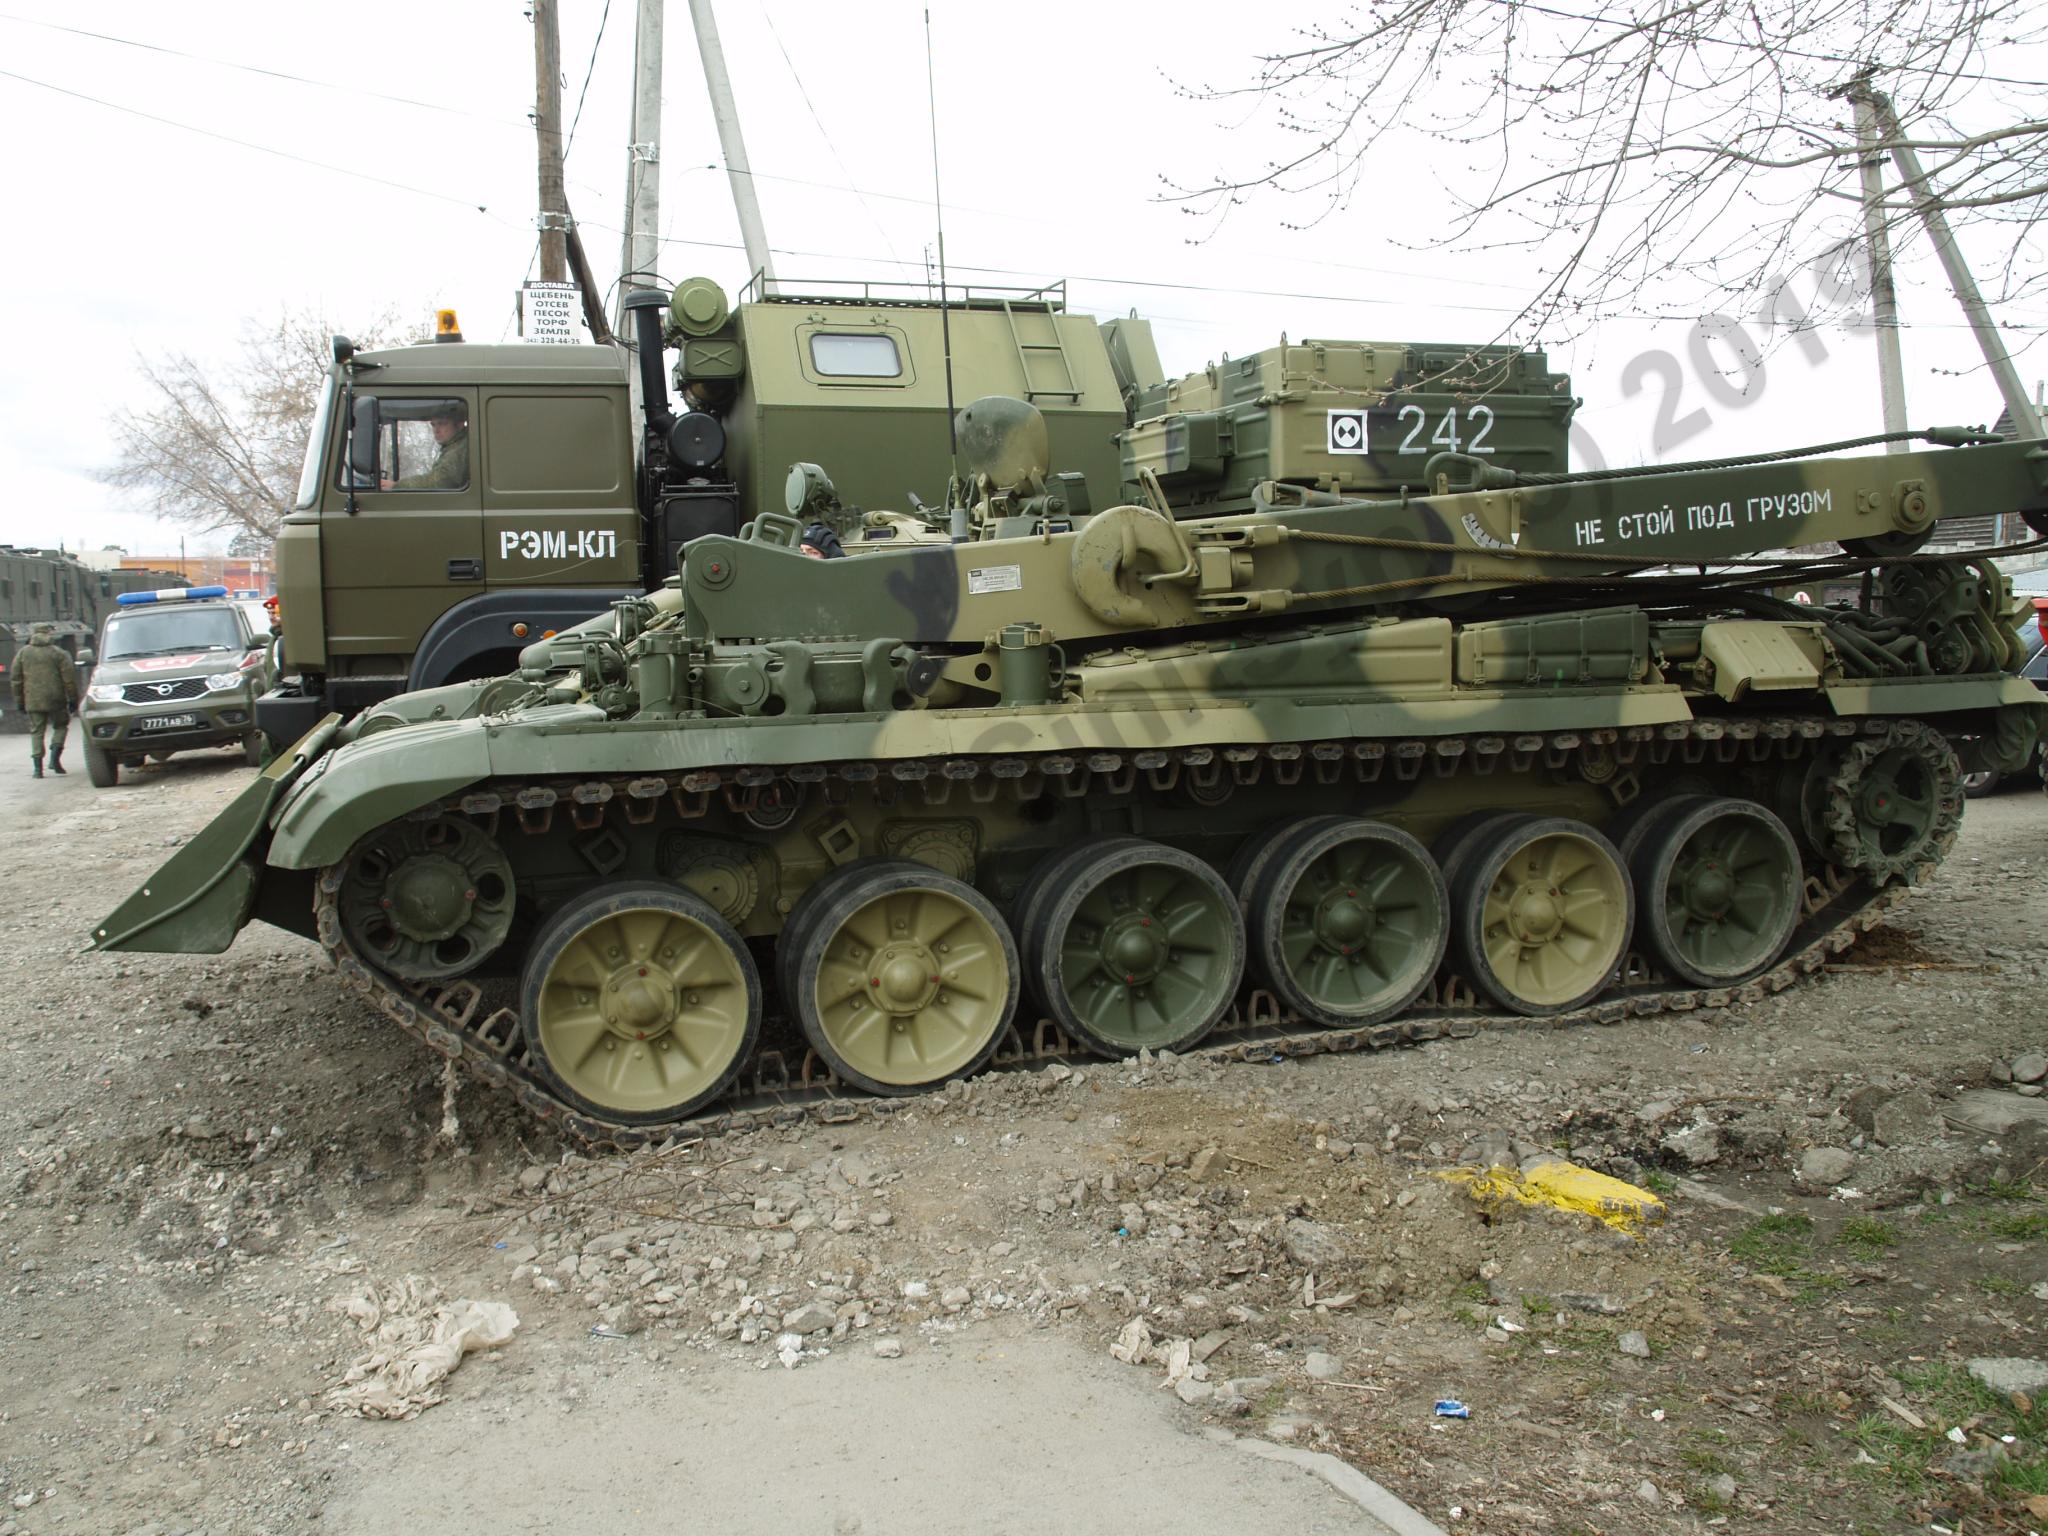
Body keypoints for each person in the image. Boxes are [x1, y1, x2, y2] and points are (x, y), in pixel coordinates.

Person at [11, 623, 78, 777]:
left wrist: (20, 701)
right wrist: (73, 699)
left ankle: (37, 769)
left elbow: (16, 680)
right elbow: (69, 679)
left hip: (33, 700)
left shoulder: (23, 653)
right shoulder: (58, 653)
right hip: (56, 699)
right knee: (60, 726)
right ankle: (54, 759)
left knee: (36, 732)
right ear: (49, 634)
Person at [383, 402, 469, 491]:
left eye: (442, 424)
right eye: (433, 425)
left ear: (459, 425)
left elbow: (440, 482)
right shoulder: (454, 446)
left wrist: (397, 486)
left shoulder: (461, 448)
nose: (436, 430)